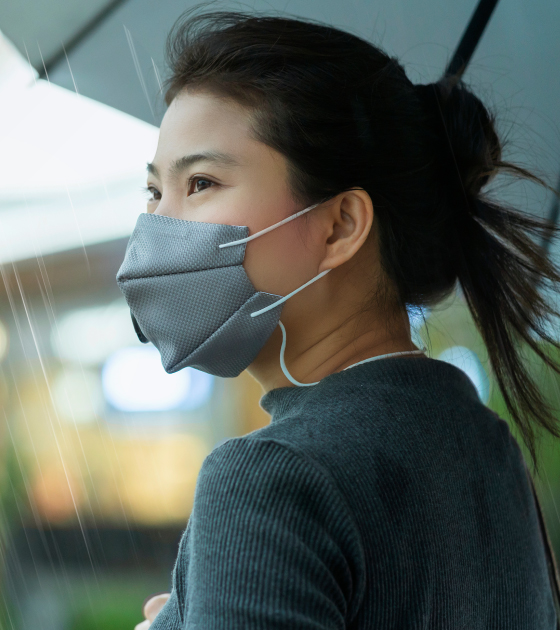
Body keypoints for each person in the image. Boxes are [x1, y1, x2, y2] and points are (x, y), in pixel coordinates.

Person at [117, 11, 560, 630]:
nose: (158, 228)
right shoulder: (490, 450)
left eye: (201, 182)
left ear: (341, 226)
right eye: (153, 192)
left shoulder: (271, 475)